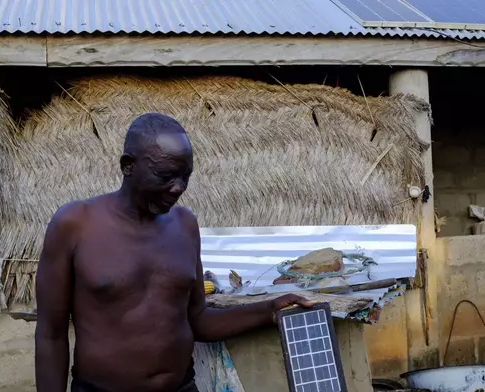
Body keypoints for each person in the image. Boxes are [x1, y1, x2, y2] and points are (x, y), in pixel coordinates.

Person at [35, 113, 313, 392]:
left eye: (185, 176)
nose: (178, 188)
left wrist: (268, 310)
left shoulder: (185, 225)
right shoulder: (75, 225)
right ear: (128, 166)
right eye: (165, 176)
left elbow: (199, 321)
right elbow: (51, 335)